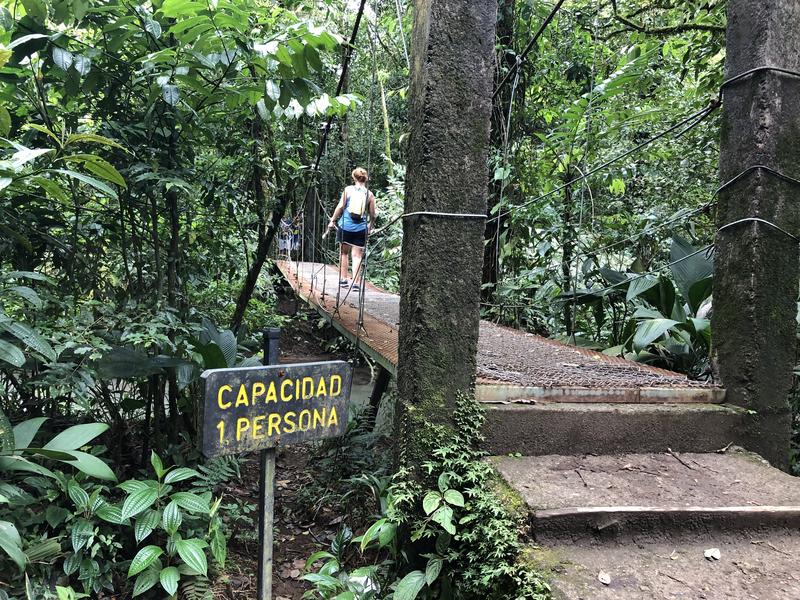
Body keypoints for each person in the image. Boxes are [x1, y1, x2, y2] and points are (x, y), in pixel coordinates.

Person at [328, 167, 377, 291]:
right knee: (357, 256)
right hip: (360, 229)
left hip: (345, 227)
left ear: (354, 178)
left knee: (344, 253)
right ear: (365, 179)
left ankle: (343, 280)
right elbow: (372, 214)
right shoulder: (369, 194)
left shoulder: (348, 190)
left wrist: (332, 220)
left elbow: (340, 207)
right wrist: (370, 226)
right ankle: (356, 284)